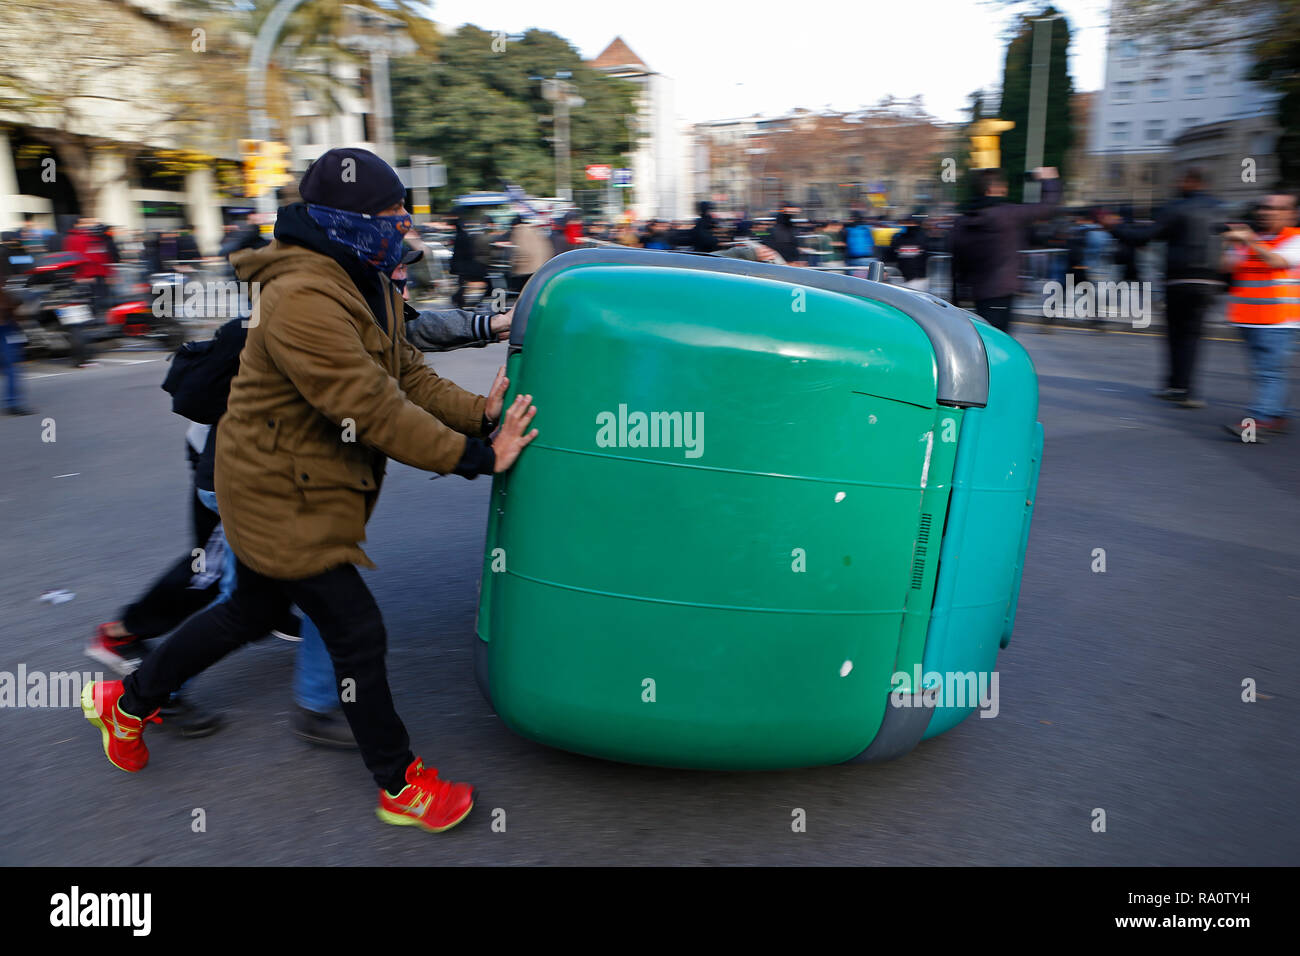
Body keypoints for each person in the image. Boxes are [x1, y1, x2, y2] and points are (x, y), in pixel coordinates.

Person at [79, 147, 539, 834]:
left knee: (248, 612)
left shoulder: (367, 278)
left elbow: (407, 375)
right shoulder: (300, 295)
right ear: (346, 220)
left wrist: (479, 413)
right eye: (389, 215)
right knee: (358, 633)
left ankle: (129, 700)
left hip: (303, 484)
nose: (401, 227)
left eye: (402, 214)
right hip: (275, 496)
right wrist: (479, 457)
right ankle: (400, 785)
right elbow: (371, 408)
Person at [1101, 168, 1224, 407]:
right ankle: (1182, 387)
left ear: (1191, 181)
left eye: (1181, 179)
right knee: (1192, 337)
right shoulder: (1220, 208)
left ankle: (1179, 387)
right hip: (1209, 281)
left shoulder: (1177, 208)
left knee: (1176, 335)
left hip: (1180, 279)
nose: (1177, 182)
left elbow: (1143, 237)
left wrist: (1113, 227)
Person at [1220, 192, 1300, 443]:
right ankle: (1277, 415)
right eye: (1264, 207)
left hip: (1278, 320)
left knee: (1269, 373)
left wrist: (1250, 239)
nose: (1266, 212)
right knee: (1264, 372)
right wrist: (1231, 243)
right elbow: (1226, 267)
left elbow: (1276, 261)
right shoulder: (1253, 240)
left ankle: (1259, 420)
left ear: (1291, 213)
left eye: (1276, 208)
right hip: (1248, 317)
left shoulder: (1294, 238)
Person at [950, 166, 1061, 333]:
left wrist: (957, 296)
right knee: (999, 341)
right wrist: (1049, 180)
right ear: (993, 189)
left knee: (984, 337)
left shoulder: (963, 219)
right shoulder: (1008, 214)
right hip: (1001, 290)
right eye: (1003, 186)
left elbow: (956, 259)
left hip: (975, 291)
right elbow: (1048, 207)